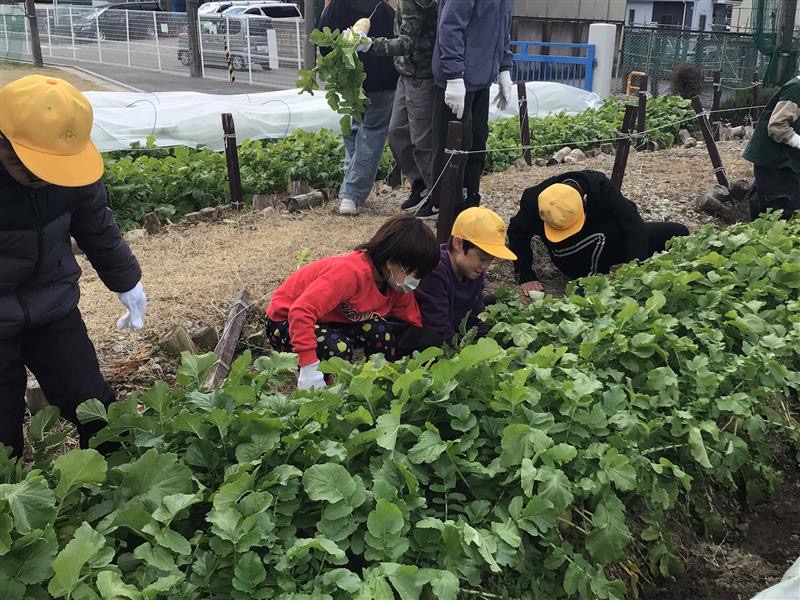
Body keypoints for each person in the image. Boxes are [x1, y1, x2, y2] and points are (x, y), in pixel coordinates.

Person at [0, 75, 147, 458]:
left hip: (52, 305)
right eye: (36, 170)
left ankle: (119, 484)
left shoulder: (70, 161)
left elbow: (95, 223)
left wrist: (126, 281)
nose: (46, 180)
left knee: (94, 406)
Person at [265, 215, 439, 390]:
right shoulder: (350, 273)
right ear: (392, 263)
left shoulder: (394, 285)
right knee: (338, 347)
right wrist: (308, 365)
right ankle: (320, 388)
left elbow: (412, 319)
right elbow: (300, 311)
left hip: (327, 321)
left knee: (381, 331)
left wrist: (422, 349)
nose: (415, 280)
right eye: (415, 273)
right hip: (284, 322)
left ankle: (378, 382)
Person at [508, 171, 689, 293]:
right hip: (568, 255)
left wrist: (635, 272)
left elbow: (633, 223)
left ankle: (607, 272)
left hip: (606, 240)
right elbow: (517, 232)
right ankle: (590, 282)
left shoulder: (598, 185)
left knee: (677, 232)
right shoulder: (534, 199)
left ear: (585, 200)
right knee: (611, 232)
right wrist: (525, 274)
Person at [414, 0, 514, 220]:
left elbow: (502, 29)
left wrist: (504, 68)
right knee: (451, 144)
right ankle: (442, 203)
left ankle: (470, 196)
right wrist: (453, 74)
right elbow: (450, 26)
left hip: (481, 77)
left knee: (477, 139)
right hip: (458, 79)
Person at [320, 0, 399, 216]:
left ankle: (351, 190)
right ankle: (352, 194)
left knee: (355, 131)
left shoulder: (337, 6)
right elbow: (398, 43)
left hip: (350, 80)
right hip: (384, 80)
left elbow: (324, 45)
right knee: (369, 135)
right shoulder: (384, 9)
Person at [361, 0, 438, 213]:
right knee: (396, 134)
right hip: (405, 75)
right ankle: (420, 183)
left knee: (422, 140)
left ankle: (436, 196)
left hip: (422, 76)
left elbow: (407, 43)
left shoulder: (414, 3)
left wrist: (371, 45)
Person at [415, 207, 516, 343]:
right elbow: (438, 329)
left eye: (490, 260)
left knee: (496, 301)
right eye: (482, 258)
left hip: (452, 329)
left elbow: (476, 316)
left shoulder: (473, 270)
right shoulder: (435, 270)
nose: (485, 266)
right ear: (458, 243)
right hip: (426, 338)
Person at [743, 75, 800, 220]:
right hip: (777, 162)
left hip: (788, 162)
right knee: (782, 210)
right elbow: (777, 126)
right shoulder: (796, 88)